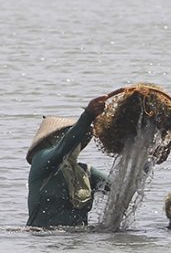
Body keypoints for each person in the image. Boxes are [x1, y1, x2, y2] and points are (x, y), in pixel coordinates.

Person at [26, 94, 110, 228]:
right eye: (66, 135)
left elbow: (121, 186)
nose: (74, 143)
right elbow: (62, 149)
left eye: (77, 138)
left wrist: (146, 157)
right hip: (43, 240)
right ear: (49, 141)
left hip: (77, 240)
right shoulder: (41, 162)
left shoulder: (85, 173)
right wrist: (88, 115)